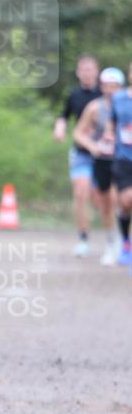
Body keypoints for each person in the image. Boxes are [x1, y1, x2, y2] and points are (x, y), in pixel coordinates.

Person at [73, 68, 125, 265]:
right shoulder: (94, 108)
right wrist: (93, 147)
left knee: (123, 199)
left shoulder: (127, 105)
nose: (110, 90)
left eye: (114, 86)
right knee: (107, 203)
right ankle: (112, 242)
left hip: (124, 160)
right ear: (101, 87)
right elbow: (78, 133)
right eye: (107, 86)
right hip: (103, 160)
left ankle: (123, 240)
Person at [53, 55, 100, 256]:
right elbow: (64, 116)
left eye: (90, 69)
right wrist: (59, 129)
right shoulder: (74, 94)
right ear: (79, 72)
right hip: (81, 152)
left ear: (97, 71)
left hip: (106, 153)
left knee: (101, 199)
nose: (87, 73)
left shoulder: (106, 93)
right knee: (80, 193)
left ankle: (116, 235)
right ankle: (83, 239)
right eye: (83, 69)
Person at [108, 61, 132, 267]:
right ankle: (125, 241)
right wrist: (108, 133)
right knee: (126, 201)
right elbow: (112, 122)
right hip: (124, 157)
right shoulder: (119, 98)